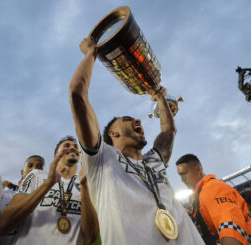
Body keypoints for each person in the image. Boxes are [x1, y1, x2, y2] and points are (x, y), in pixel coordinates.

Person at [68, 37, 204, 245]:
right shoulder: (101, 159)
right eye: (128, 120)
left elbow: (169, 130)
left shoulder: (153, 160)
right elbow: (78, 94)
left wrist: (160, 98)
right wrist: (91, 54)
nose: (137, 120)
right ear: (113, 134)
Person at [0, 136, 99, 245]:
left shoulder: (86, 183)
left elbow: (90, 237)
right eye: (66, 145)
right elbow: (4, 225)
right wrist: (48, 184)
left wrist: (84, 186)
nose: (73, 148)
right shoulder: (37, 175)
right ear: (56, 155)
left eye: (76, 147)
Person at [176, 153, 251, 245]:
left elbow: (230, 224)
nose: (182, 179)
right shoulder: (199, 195)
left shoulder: (212, 187)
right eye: (180, 176)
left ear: (197, 169)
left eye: (184, 173)